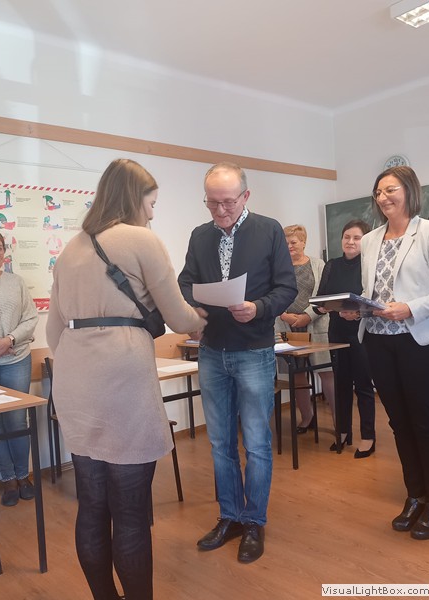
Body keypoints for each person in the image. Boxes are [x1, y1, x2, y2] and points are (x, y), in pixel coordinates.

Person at [46, 158, 206, 600]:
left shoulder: (71, 248)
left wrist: (84, 356)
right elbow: (178, 317)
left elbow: (53, 332)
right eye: (151, 203)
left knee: (92, 504)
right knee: (132, 513)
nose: (153, 212)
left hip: (74, 379)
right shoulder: (141, 239)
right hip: (122, 380)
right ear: (134, 198)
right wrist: (203, 318)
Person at [178, 162, 297, 563]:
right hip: (212, 350)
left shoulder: (269, 230)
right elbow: (184, 282)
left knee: (257, 443)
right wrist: (193, 308)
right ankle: (229, 516)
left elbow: (286, 287)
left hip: (254, 350)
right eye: (212, 203)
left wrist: (258, 308)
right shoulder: (200, 235)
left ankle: (254, 522)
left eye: (228, 202)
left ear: (246, 196)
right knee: (220, 444)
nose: (221, 210)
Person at [354, 166, 429, 539]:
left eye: (390, 190)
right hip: (377, 339)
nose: (383, 197)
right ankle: (415, 495)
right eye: (378, 192)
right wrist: (356, 306)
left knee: (425, 423)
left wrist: (411, 308)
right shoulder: (370, 240)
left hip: (417, 341)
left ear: (409, 191)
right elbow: (370, 289)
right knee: (399, 423)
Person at [0, 228, 38, 506]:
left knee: (18, 421)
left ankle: (23, 476)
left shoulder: (16, 282)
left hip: (17, 360)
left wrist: (9, 340)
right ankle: (8, 480)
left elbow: (30, 318)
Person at [314, 220, 376, 457]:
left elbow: (376, 302)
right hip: (336, 332)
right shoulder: (332, 265)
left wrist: (358, 312)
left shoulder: (370, 265)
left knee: (363, 385)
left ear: (365, 241)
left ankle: (368, 437)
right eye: (346, 237)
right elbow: (320, 298)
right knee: (341, 383)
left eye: (356, 238)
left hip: (361, 332)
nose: (350, 242)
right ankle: (342, 431)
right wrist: (323, 307)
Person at [275, 224, 335, 432]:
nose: (289, 246)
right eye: (285, 243)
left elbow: (323, 295)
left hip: (316, 325)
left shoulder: (318, 265)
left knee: (326, 373)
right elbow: (273, 295)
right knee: (296, 375)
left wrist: (306, 316)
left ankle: (339, 422)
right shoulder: (277, 267)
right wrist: (285, 315)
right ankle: (307, 418)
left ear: (303, 242)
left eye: (293, 242)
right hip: (286, 327)